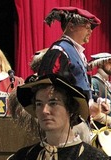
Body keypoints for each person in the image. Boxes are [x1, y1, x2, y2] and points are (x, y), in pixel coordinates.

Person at [39, 6, 102, 144]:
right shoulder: (60, 51)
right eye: (87, 27)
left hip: (76, 121)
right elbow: (48, 89)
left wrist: (93, 102)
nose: (90, 31)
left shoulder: (75, 53)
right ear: (71, 26)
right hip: (65, 124)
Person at [89, 52, 111, 130]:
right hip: (101, 128)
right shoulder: (94, 82)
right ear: (100, 64)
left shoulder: (108, 84)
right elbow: (93, 110)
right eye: (110, 62)